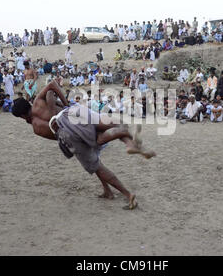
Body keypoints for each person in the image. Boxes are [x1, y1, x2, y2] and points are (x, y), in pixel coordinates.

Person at [11, 80, 156, 210]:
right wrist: (64, 103)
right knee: (109, 126)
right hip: (72, 113)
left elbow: (58, 136)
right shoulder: (37, 101)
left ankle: (128, 194)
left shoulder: (36, 128)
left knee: (96, 164)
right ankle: (128, 144)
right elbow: (51, 86)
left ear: (22, 116)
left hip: (67, 132)